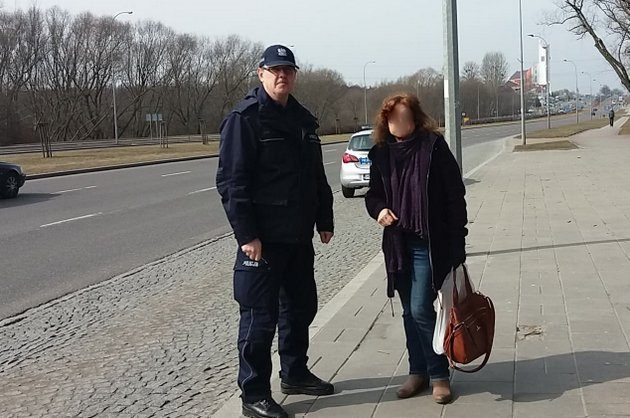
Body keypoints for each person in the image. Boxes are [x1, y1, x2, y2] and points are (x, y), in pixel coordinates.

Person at [216, 45, 335, 418]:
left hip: (297, 237)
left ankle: (295, 373)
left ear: (295, 75)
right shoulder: (246, 119)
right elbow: (232, 183)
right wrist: (246, 235)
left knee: (301, 308)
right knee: (258, 319)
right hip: (262, 242)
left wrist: (325, 219)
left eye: (288, 70)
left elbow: (316, 176)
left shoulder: (302, 119)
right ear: (261, 73)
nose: (282, 75)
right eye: (275, 70)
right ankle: (253, 394)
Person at [364, 93, 468, 404]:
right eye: (392, 117)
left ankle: (438, 375)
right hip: (397, 243)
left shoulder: (433, 147)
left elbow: (454, 194)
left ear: (416, 118)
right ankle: (417, 371)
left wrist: (458, 241)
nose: (398, 122)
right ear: (386, 121)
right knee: (409, 311)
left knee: (422, 308)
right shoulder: (381, 153)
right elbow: (373, 194)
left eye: (404, 116)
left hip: (428, 242)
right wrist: (380, 209)